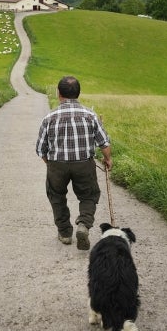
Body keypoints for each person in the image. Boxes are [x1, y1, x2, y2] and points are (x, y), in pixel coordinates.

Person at [36, 76, 112, 250]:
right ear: (78, 93)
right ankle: (84, 224)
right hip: (84, 164)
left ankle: (65, 233)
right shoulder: (90, 115)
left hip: (57, 164)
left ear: (59, 93)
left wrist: (51, 164)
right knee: (89, 195)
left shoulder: (49, 117)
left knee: (56, 196)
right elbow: (104, 143)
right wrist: (108, 159)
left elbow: (41, 149)